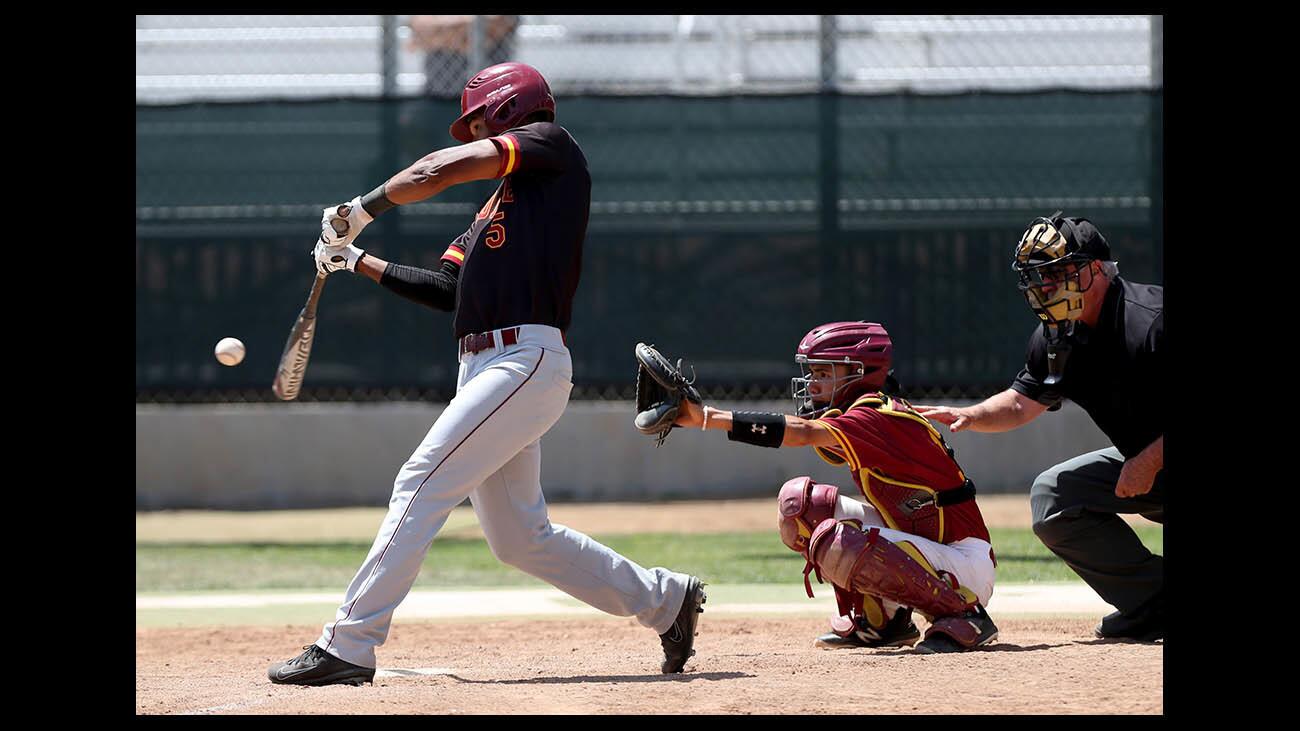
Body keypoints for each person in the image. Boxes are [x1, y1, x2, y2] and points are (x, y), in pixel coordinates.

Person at [268, 62, 706, 687]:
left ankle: (349, 644)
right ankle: (667, 601)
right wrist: (355, 260)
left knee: (420, 482)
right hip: (485, 367)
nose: (468, 133)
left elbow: (430, 171)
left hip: (522, 359)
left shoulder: (551, 147)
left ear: (506, 110)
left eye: (476, 120)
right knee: (519, 539)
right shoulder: (497, 209)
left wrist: (363, 208)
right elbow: (446, 289)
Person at [668, 321, 999, 654]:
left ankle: (968, 616)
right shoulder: (862, 411)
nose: (812, 384)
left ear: (860, 372)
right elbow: (810, 433)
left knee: (837, 539)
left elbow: (804, 432)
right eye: (812, 373)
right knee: (801, 505)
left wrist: (707, 418)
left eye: (825, 374)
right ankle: (884, 623)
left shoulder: (877, 416)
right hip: (930, 547)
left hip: (965, 564)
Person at [914, 212, 1163, 642]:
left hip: (1153, 460)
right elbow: (1020, 403)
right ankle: (1156, 601)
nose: (1046, 287)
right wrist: (971, 415)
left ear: (1098, 269)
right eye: (1039, 277)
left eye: (1059, 273)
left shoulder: (1151, 321)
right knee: (1054, 498)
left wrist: (1148, 460)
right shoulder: (1057, 339)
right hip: (1147, 467)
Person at [407, 15, 518, 97]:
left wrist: (442, 32)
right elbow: (420, 24)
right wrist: (470, 31)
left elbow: (497, 21)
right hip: (440, 93)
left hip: (494, 93)